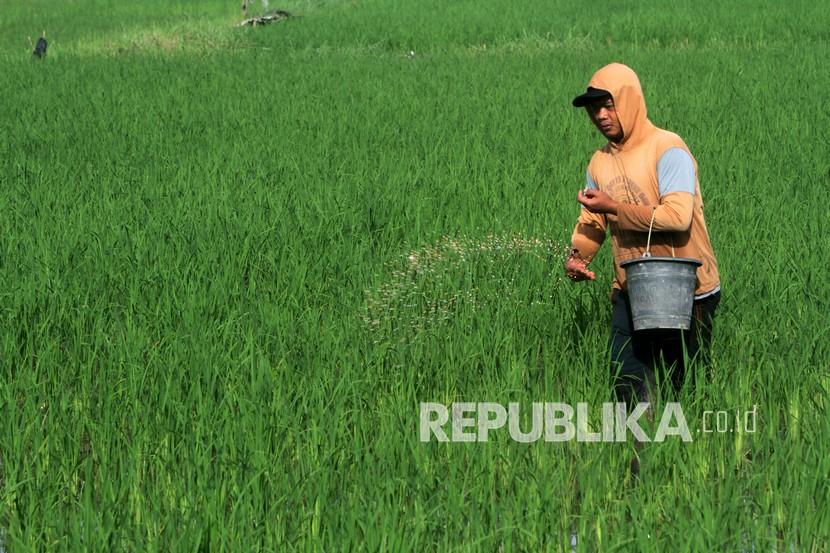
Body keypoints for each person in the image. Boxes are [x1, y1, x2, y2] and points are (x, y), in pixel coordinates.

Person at [564, 63, 721, 406]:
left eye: (609, 105)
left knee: (686, 385)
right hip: (632, 286)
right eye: (594, 109)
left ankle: (686, 451)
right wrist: (579, 256)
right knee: (627, 378)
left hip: (686, 286)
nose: (601, 115)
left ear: (630, 101)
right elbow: (593, 216)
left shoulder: (668, 149)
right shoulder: (599, 162)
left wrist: (614, 206)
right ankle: (635, 452)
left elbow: (678, 218)